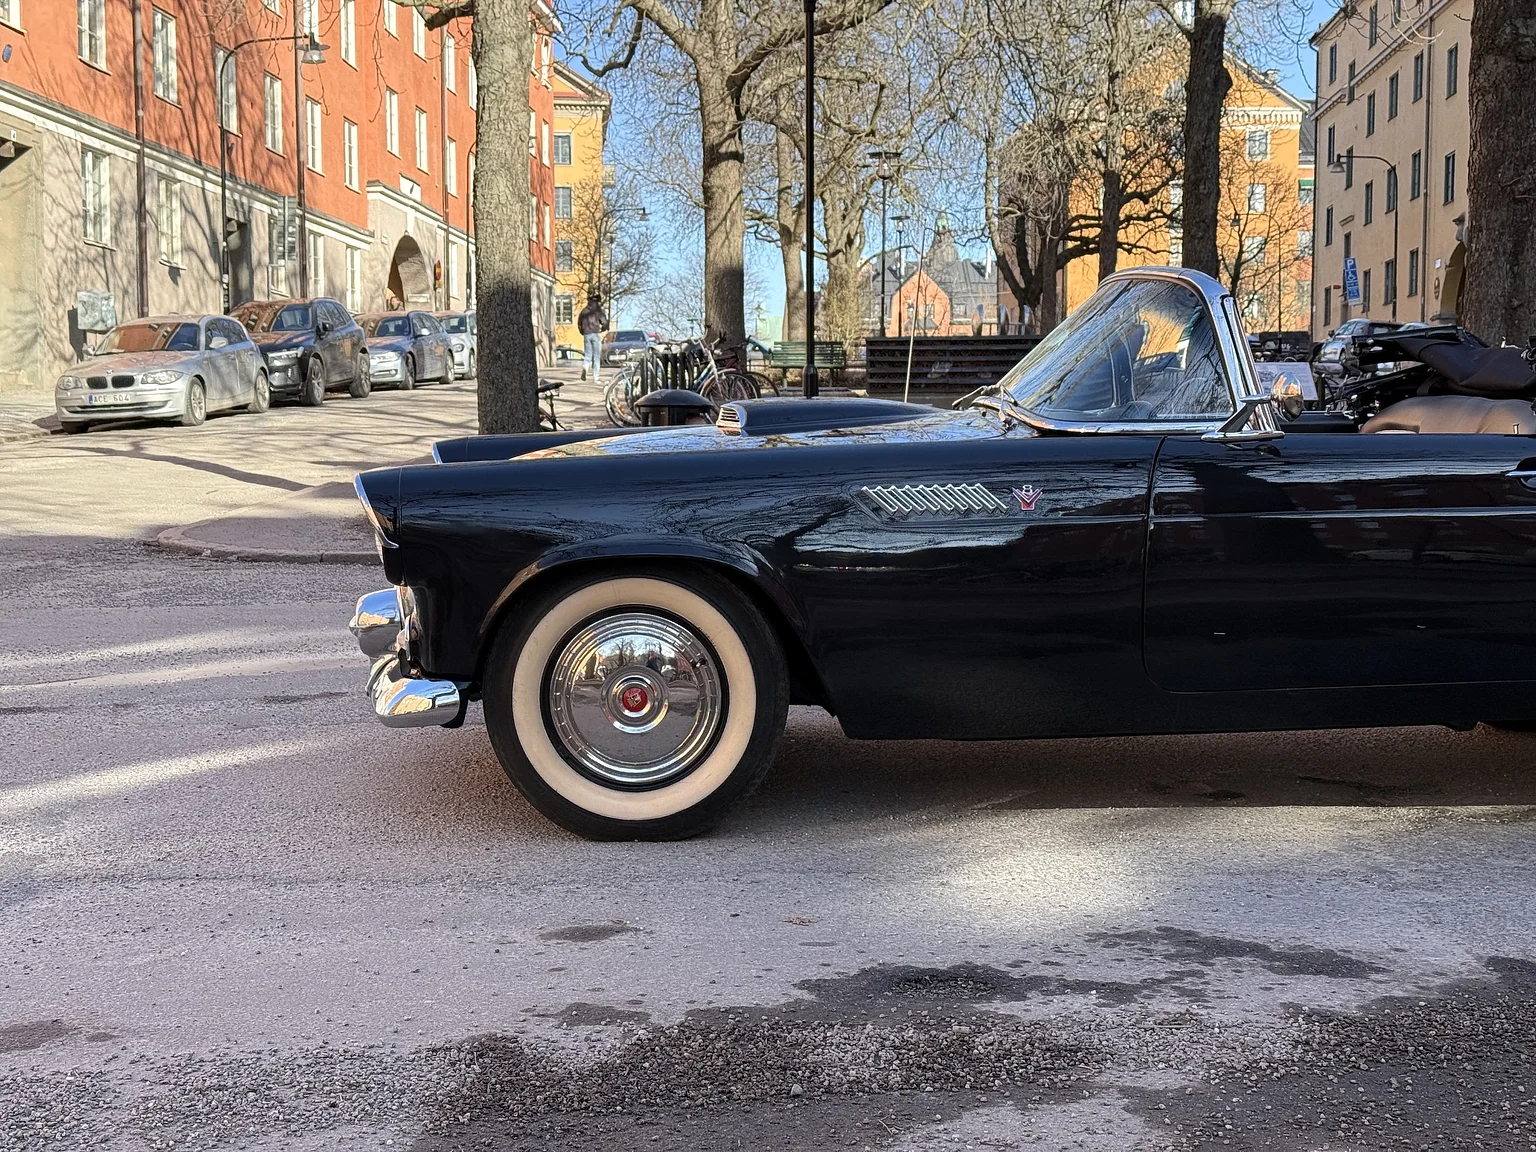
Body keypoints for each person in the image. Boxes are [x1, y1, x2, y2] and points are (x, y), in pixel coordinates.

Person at [577, 293, 607, 382]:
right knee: (596, 357)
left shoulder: (584, 311)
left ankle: (585, 368)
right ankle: (596, 377)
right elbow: (604, 322)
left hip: (586, 334)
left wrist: (583, 332)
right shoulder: (598, 311)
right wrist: (603, 329)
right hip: (595, 333)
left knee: (588, 355)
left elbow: (579, 323)